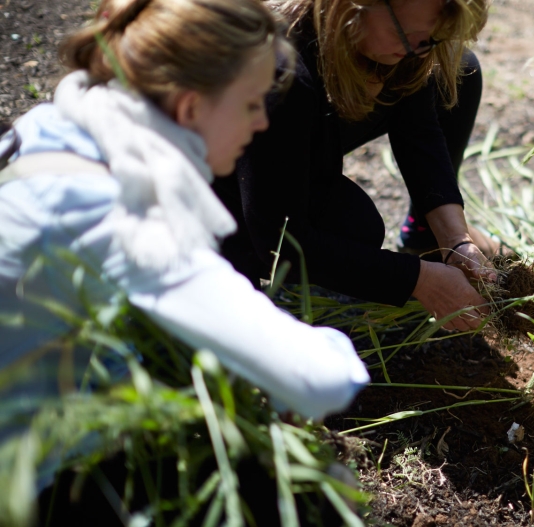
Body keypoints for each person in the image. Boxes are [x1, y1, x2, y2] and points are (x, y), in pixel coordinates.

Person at [0, 0, 370, 448]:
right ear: (192, 107)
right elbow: (321, 381)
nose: (260, 122)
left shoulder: (52, 126)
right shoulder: (130, 223)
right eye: (252, 104)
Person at [212, 0, 496, 332]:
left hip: (298, 122)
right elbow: (280, 238)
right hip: (209, 168)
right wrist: (418, 281)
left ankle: (424, 236)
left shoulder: (404, 46)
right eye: (406, 35)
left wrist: (455, 239)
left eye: (431, 39)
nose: (419, 49)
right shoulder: (282, 71)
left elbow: (417, 127)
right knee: (352, 227)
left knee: (460, 70)